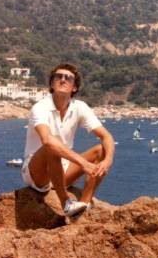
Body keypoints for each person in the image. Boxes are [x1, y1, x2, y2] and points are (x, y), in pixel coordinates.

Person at [21, 63, 115, 217]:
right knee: (51, 145)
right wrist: (83, 163)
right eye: (58, 76)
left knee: (102, 150)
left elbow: (107, 136)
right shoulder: (40, 107)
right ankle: (66, 202)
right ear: (52, 83)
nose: (63, 80)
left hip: (63, 172)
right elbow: (47, 140)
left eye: (68, 78)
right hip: (37, 174)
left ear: (74, 87)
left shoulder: (79, 107)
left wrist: (108, 160)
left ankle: (84, 205)